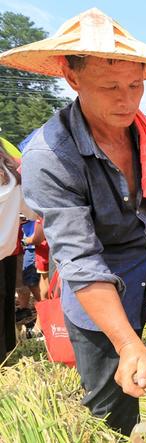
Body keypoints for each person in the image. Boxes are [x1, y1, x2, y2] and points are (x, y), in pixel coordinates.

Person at [4, 9, 146, 435]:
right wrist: (127, 343)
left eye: (135, 86)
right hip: (99, 288)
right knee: (112, 408)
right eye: (110, 88)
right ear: (73, 78)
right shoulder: (51, 157)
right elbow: (80, 260)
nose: (127, 100)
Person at [1, 142, 36, 361]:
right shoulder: (15, 180)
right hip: (5, 252)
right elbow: (32, 212)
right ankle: (5, 351)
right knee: (4, 302)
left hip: (8, 251)